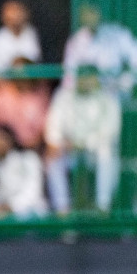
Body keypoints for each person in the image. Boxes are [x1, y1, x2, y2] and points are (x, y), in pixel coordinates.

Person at [45, 65, 121, 214]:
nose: (85, 81)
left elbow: (110, 132)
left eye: (89, 77)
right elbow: (53, 127)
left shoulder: (108, 98)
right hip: (70, 152)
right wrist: (57, 142)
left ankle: (102, 207)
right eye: (82, 77)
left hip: (95, 152)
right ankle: (63, 209)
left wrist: (83, 143)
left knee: (106, 153)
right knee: (52, 158)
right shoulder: (64, 96)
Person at [63, 4, 137, 98]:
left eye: (93, 11)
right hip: (86, 100)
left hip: (115, 97)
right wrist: (84, 83)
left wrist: (124, 82)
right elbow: (68, 76)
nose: (90, 16)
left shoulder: (117, 34)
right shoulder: (75, 41)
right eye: (86, 12)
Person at [0, 125, 47, 219]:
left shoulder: (29, 159)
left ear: (10, 140)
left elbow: (32, 192)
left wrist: (11, 207)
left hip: (27, 209)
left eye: (0, 138)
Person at [0, 57, 51, 151]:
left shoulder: (41, 94)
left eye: (25, 73)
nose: (21, 77)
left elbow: (46, 128)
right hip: (7, 151)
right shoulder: (0, 96)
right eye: (17, 74)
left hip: (35, 150)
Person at [0, 0, 41, 75]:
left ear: (26, 12)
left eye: (17, 11)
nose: (15, 16)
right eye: (11, 12)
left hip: (33, 82)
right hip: (5, 83)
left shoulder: (39, 35)